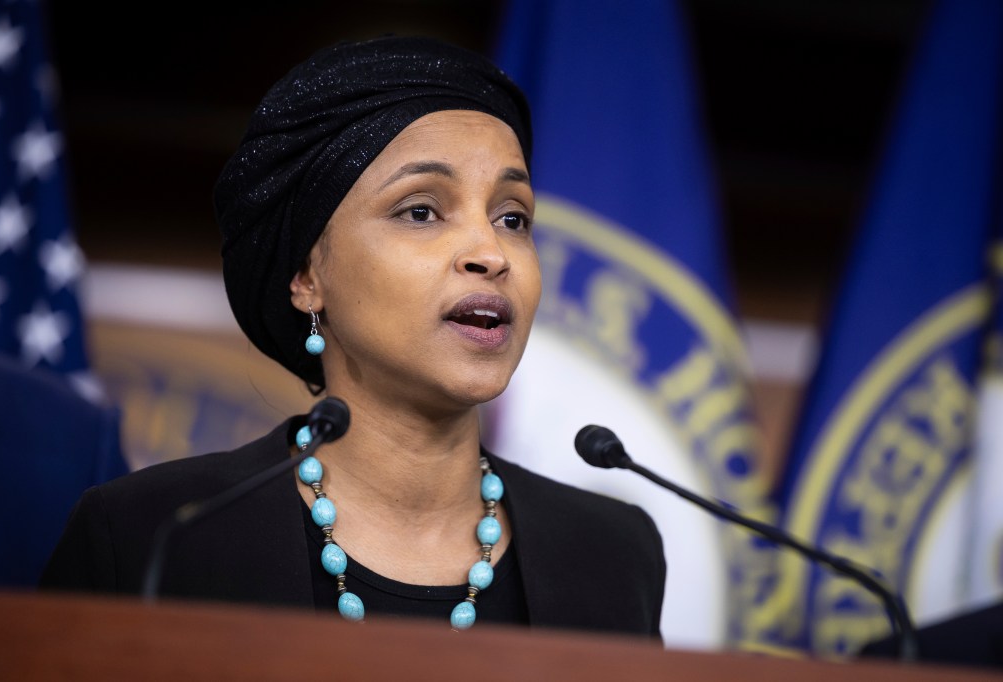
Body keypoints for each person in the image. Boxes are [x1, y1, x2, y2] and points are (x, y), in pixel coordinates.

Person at [40, 35, 666, 636]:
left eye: (513, 217)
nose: (491, 253)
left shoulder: (614, 555)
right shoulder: (152, 535)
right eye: (421, 211)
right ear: (307, 276)